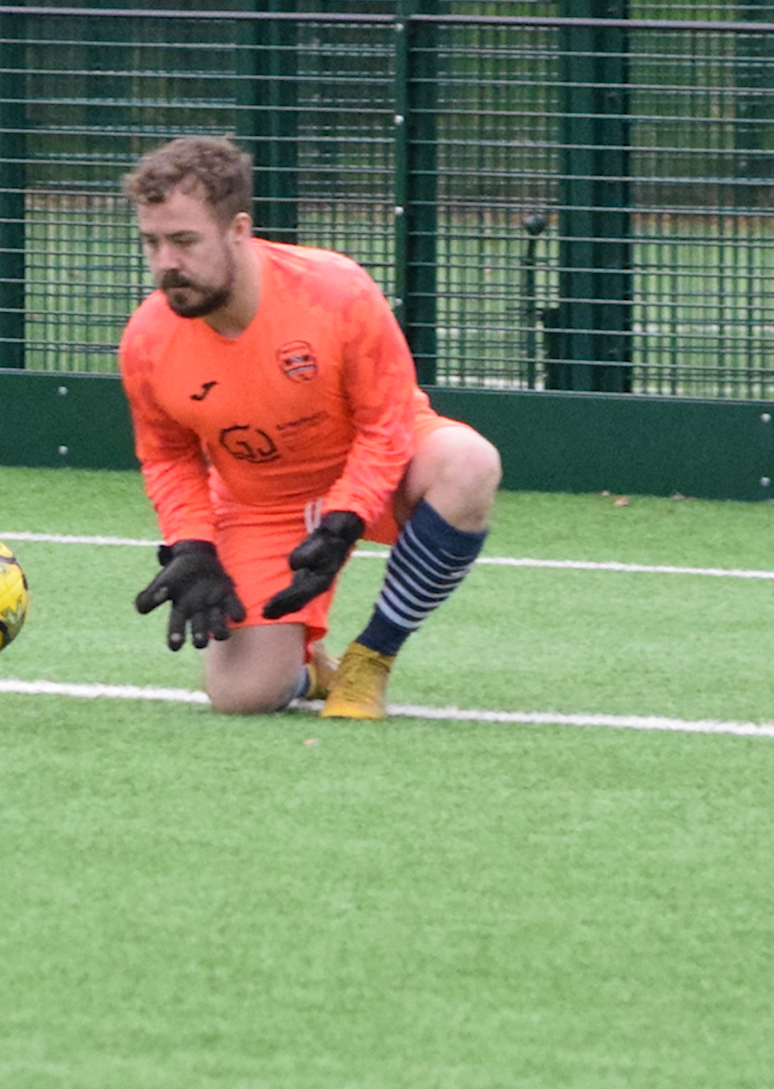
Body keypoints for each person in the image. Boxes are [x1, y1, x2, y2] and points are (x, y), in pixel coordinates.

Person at [116, 135, 502, 719]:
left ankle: (371, 659)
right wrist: (193, 544)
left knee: (469, 463)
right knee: (242, 696)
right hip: (263, 504)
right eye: (152, 242)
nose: (166, 263)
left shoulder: (337, 291)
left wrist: (345, 516)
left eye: (184, 241)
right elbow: (168, 457)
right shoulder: (147, 340)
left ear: (238, 230)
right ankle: (305, 671)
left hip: (373, 469)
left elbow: (387, 421)